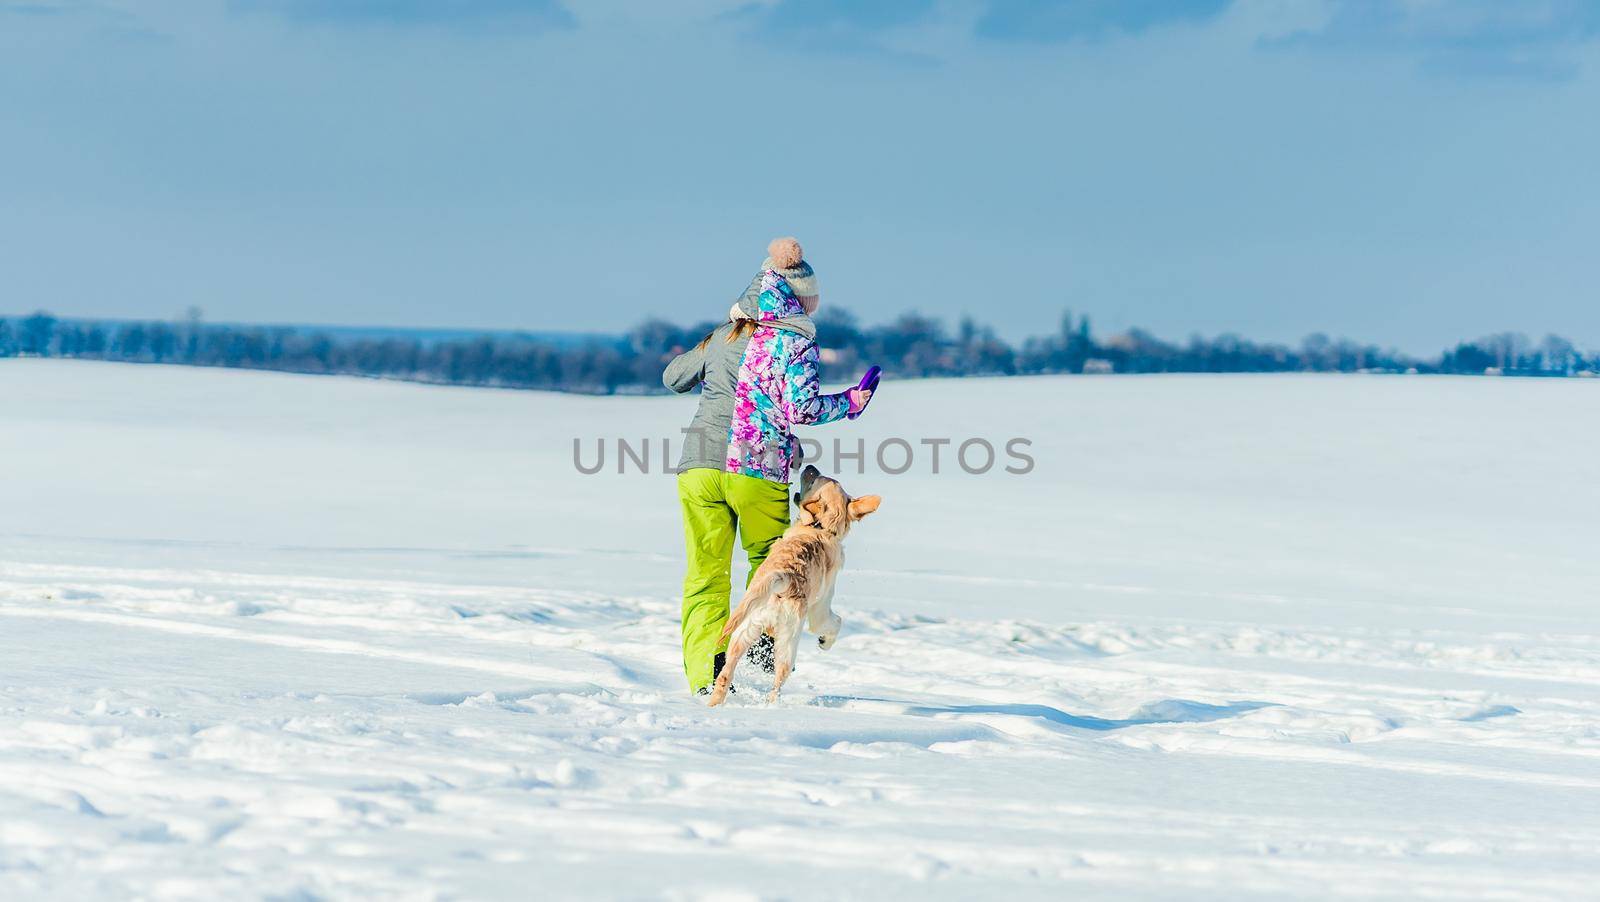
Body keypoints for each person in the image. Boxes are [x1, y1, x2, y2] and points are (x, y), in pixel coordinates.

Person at [663, 237, 871, 697]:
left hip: (698, 467)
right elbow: (803, 408)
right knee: (771, 566)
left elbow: (674, 377)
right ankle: (755, 666)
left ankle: (704, 679)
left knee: (704, 576)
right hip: (756, 470)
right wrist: (850, 404)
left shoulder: (725, 334)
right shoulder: (794, 342)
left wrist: (713, 344)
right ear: (801, 300)